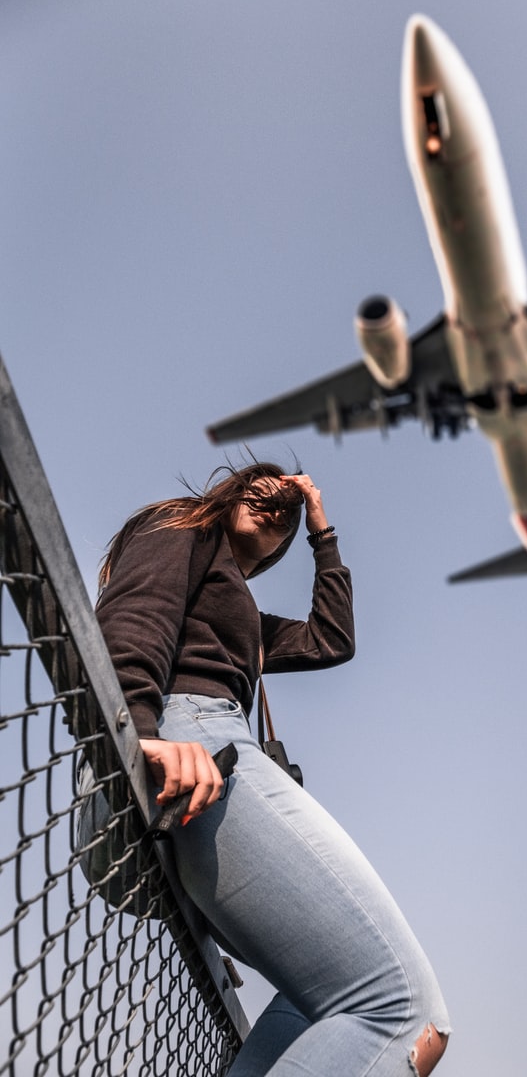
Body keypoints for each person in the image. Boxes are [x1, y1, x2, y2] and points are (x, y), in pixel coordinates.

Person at [90, 461, 450, 1076]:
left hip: (205, 750)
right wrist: (139, 738)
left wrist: (321, 530)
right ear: (227, 493)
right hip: (186, 742)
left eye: (285, 511)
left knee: (316, 1001)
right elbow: (136, 618)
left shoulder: (245, 621)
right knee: (405, 1010)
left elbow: (331, 640)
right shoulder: (183, 525)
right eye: (260, 488)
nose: (275, 503)